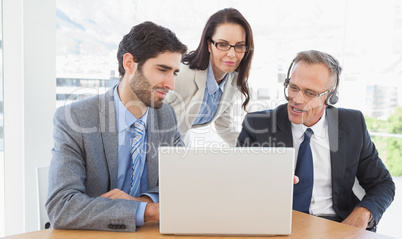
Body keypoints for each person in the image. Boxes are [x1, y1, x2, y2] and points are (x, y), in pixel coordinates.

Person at [46, 21, 187, 232]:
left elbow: (182, 183)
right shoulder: (76, 119)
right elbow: (62, 206)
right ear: (130, 63)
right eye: (162, 69)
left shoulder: (165, 116)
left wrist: (140, 200)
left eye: (174, 73)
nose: (170, 84)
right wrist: (148, 211)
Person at [237, 50, 395, 231]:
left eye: (310, 93)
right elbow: (236, 186)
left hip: (337, 224)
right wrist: (267, 183)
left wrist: (363, 212)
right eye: (293, 87)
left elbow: (383, 183)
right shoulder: (258, 125)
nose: (296, 99)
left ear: (330, 96)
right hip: (277, 224)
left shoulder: (352, 124)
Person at [165, 8, 254, 146]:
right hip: (154, 144)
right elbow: (151, 113)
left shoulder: (233, 80)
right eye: (223, 45)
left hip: (178, 145)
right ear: (209, 44)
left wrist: (254, 149)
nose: (232, 54)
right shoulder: (182, 74)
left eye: (240, 46)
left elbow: (224, 126)